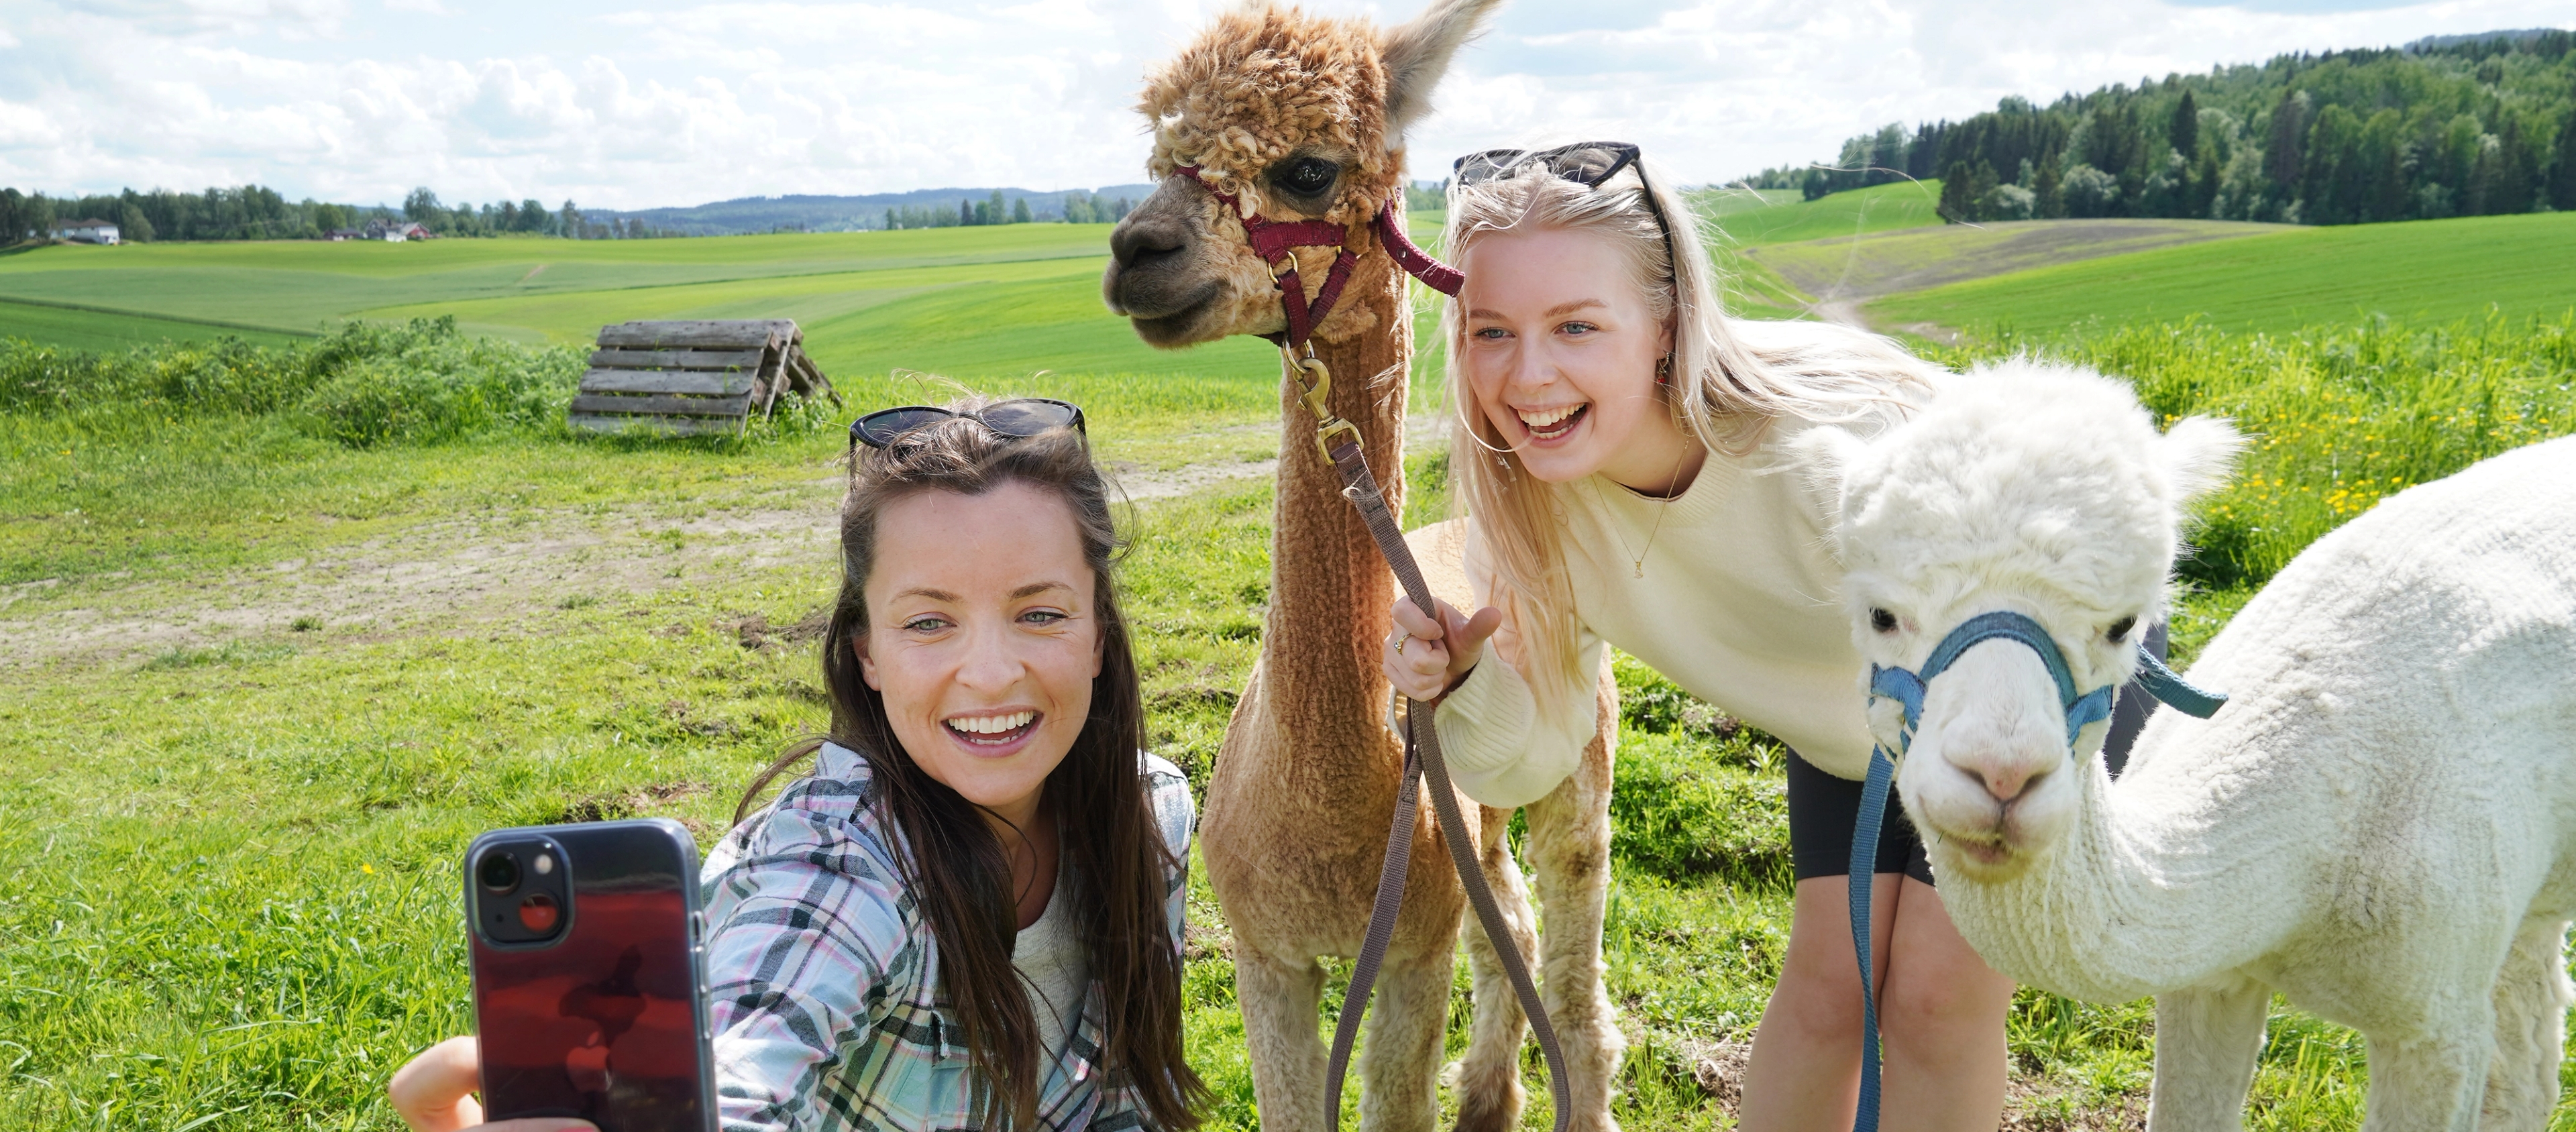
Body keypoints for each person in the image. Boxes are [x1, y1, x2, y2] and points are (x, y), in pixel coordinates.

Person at [1376, 142, 2009, 1131]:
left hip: (2005, 704)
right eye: (1490, 330)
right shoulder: (1536, 512)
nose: (1528, 375)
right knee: (1827, 994)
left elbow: (2054, 582)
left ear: (1666, 328)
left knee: (1935, 996)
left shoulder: (1832, 450)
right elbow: (1529, 760)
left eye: (1576, 326)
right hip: (1850, 739)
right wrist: (1462, 686)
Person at [392, 396, 1205, 1132]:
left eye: (1040, 613)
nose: (989, 672)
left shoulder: (1149, 808)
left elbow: (1126, 1104)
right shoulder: (841, 868)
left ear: (1098, 635)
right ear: (869, 654)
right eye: (928, 623)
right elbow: (750, 1059)